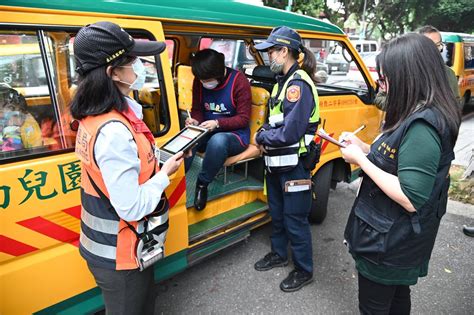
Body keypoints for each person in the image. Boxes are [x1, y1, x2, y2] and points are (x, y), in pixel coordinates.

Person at [340, 33, 461, 314]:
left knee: (376, 306)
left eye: (385, 79)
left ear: (408, 75)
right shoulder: (414, 111)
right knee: (395, 299)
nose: (382, 85)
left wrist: (361, 160)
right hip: (389, 238)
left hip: (389, 243)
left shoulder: (423, 126)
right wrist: (365, 148)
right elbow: (398, 160)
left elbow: (410, 195)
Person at [71, 21, 184, 315]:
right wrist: (164, 175)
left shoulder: (102, 113)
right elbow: (131, 208)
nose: (139, 67)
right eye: (133, 61)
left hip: (127, 246)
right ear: (113, 72)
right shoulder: (113, 132)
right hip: (119, 254)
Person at [253, 26, 320, 292]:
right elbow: (275, 121)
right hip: (278, 165)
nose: (269, 56)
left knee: (295, 219)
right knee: (278, 215)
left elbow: (290, 132)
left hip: (295, 167)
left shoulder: (298, 84)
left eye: (271, 51)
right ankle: (279, 255)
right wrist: (264, 132)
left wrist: (261, 138)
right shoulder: (282, 82)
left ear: (284, 51)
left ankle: (304, 270)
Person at [185, 48, 251, 211]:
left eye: (206, 79)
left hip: (235, 134)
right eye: (200, 79)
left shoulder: (239, 81)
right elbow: (198, 109)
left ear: (219, 73)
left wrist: (217, 123)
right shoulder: (200, 81)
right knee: (188, 136)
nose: (203, 83)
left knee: (218, 141)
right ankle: (177, 179)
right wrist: (195, 120)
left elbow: (243, 118)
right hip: (208, 128)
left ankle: (202, 184)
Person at [417, 25, 461, 105]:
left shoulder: (449, 73)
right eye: (430, 46)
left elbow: (456, 102)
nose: (435, 50)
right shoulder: (407, 72)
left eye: (438, 45)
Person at [0, 85, 42, 151]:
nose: (11, 122)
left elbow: (10, 153)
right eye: (3, 118)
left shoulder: (26, 129)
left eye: (15, 116)